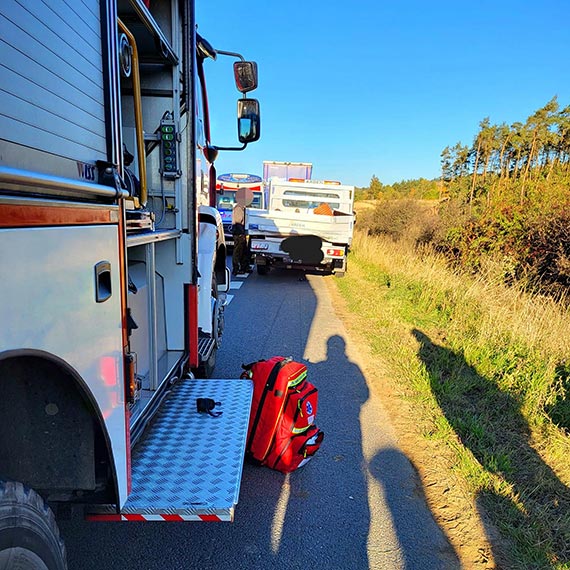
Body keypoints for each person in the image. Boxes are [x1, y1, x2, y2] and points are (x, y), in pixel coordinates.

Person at [231, 202, 250, 275]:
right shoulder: (239, 208)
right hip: (239, 232)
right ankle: (236, 268)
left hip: (240, 232)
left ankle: (244, 267)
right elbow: (238, 221)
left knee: (243, 251)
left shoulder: (242, 208)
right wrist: (241, 233)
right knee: (238, 251)